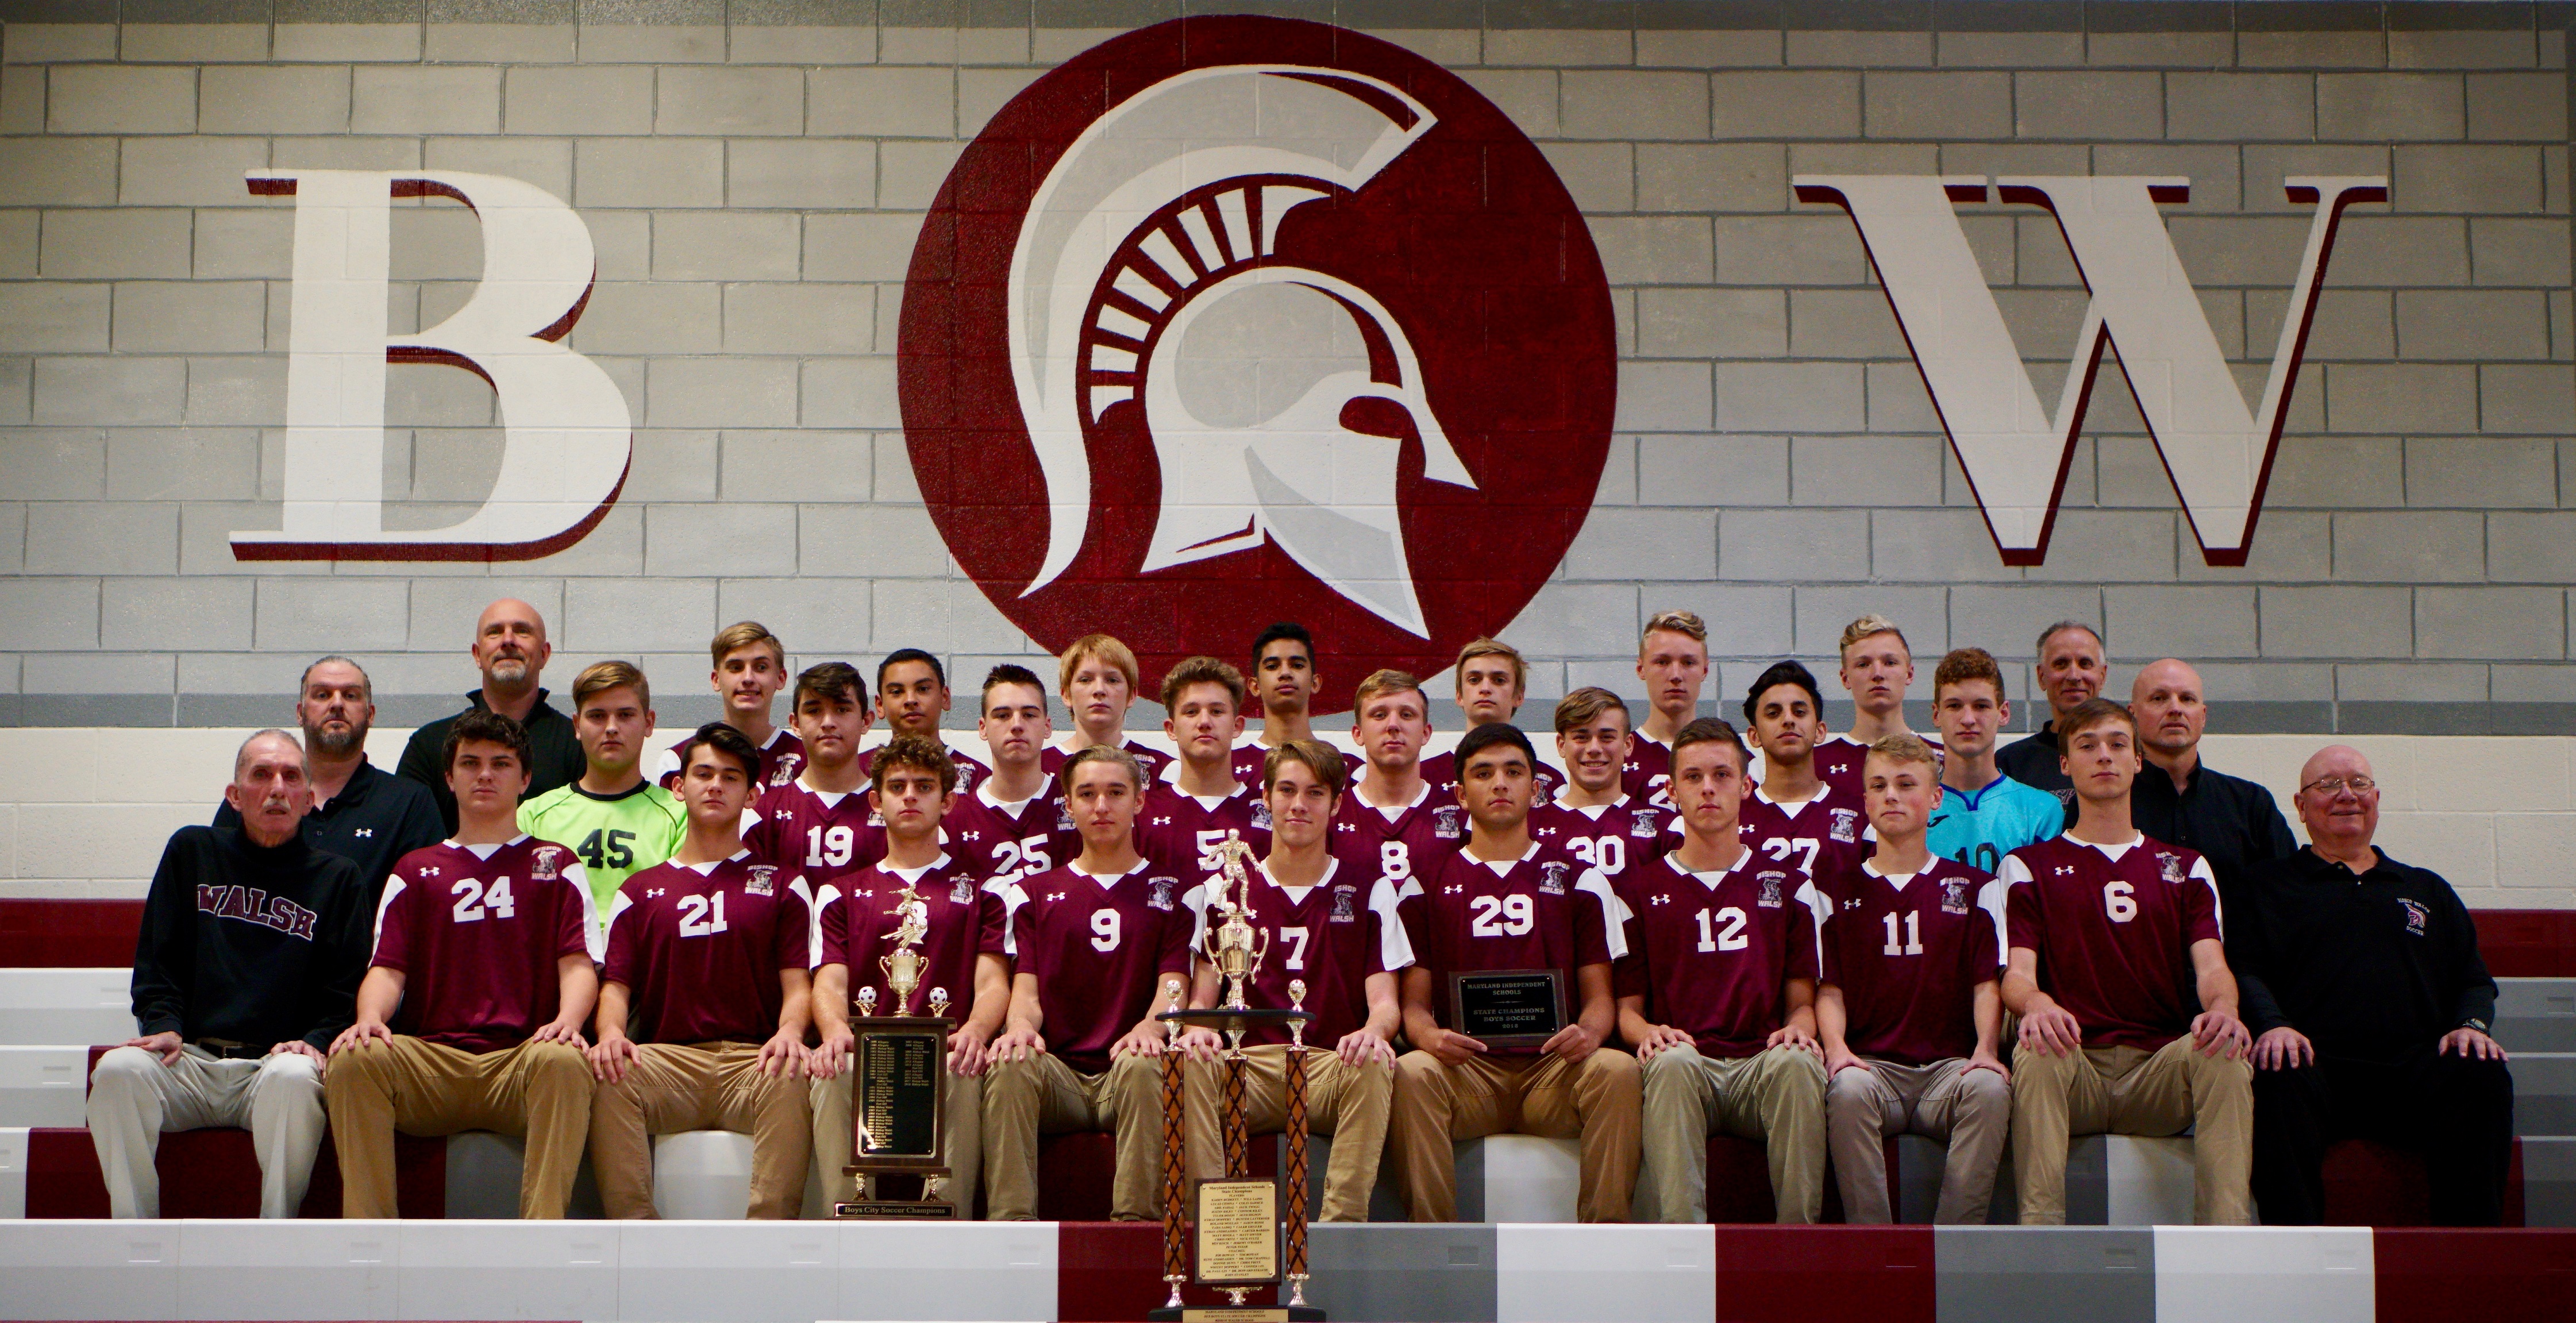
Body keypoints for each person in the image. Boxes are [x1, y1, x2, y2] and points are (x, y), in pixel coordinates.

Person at [324, 710, 599, 1219]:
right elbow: (386, 970)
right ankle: (369, 1233)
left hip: (520, 1063)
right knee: (355, 1056)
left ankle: (542, 1233)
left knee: (565, 1060)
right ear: (449, 778)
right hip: (433, 1066)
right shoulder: (416, 869)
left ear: (526, 778)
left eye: (501, 763)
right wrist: (369, 1020)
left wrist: (567, 1023)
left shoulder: (558, 864)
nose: (486, 774)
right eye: (470, 763)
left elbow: (578, 963)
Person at [89, 729, 368, 1218]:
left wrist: (317, 1038)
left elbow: (344, 988)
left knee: (296, 1078)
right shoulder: (192, 850)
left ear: (308, 799)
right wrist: (162, 1024)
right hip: (190, 1062)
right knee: (115, 1071)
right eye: (261, 775)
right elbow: (158, 958)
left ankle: (276, 1233)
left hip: (271, 1069)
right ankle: (132, 1232)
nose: (277, 787)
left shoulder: (340, 877)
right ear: (235, 796)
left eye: (291, 777)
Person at [2231, 745, 2514, 1226]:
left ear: (2377, 798)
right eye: (2327, 785)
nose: (2346, 795)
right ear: (2299, 807)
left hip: (2410, 1069)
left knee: (2480, 1072)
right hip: (2313, 1067)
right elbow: (2244, 969)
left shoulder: (2425, 888)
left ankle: (2471, 1246)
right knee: (2274, 1072)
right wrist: (2272, 1024)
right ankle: (2294, 1252)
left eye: (2358, 784)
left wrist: (2471, 1025)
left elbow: (2472, 979)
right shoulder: (2264, 886)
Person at [2000, 697, 2254, 1225]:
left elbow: (2211, 968)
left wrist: (2224, 1010)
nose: (2104, 757)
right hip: (2076, 1070)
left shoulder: (2184, 867)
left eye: (2118, 745)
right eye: (2087, 746)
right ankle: (2039, 1234)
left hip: (2156, 1073)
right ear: (2065, 764)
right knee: (2035, 1046)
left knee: (2224, 1052)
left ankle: (2224, 1237)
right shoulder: (2028, 866)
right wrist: (2039, 1004)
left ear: (2139, 761)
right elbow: (2016, 975)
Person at [1388, 723, 1638, 1224]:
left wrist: (1588, 1034)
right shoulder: (1424, 882)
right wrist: (1429, 1037)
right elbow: (1413, 1002)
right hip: (1467, 1073)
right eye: (1483, 773)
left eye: (1513, 771)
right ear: (1461, 793)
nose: (1499, 783)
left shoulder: (1579, 878)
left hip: (1553, 1071)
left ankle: (1605, 1235)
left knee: (1618, 1070)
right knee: (1412, 1072)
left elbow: (1600, 995)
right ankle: (1431, 1242)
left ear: (1536, 787)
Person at [588, 724, 815, 1220]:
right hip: (668, 1061)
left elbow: (798, 985)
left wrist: (792, 1031)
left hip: (751, 1061)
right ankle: (635, 1232)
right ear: (678, 786)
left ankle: (767, 1233)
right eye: (704, 773)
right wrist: (608, 1032)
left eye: (731, 777)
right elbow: (616, 987)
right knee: (609, 1075)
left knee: (792, 1072)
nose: (715, 785)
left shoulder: (783, 884)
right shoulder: (640, 890)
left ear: (752, 795)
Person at [1180, 740, 1411, 1221]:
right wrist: (1196, 1028)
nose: (1299, 805)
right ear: (1265, 797)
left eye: (1314, 792)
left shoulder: (1370, 887)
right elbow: (1203, 997)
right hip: (1245, 1063)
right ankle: (1214, 1225)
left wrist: (1374, 1032)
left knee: (1375, 1062)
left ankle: (1339, 1227)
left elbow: (1385, 1002)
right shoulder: (1223, 889)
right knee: (1186, 1062)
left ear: (1337, 803)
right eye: (1286, 790)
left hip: (1327, 1066)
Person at [1622, 718, 1826, 1225]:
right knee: (1670, 1062)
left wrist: (1799, 1029)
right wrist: (1648, 1032)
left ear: (1746, 785)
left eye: (1721, 774)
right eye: (1692, 777)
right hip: (1688, 1064)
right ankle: (1681, 1243)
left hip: (1760, 1063)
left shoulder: (1788, 885)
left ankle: (1798, 1242)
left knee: (1799, 1064)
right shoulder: (1639, 890)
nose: (1708, 788)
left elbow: (1802, 1001)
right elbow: (1626, 1010)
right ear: (1670, 790)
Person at [983, 746, 1199, 1221]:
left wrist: (1152, 1026)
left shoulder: (1173, 889)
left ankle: (1138, 1226)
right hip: (1059, 1075)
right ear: (1068, 805)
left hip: (1125, 1069)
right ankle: (1010, 1222)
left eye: (1115, 792)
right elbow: (1027, 991)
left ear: (1139, 801)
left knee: (1148, 1064)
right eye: (1087, 794)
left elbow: (1174, 981)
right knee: (1011, 1061)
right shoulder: (1034, 892)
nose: (1101, 805)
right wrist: (1018, 1025)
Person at [809, 735, 1011, 1217]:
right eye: (897, 786)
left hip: (945, 1050)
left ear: (948, 800)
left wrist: (978, 1032)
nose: (910, 796)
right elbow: (829, 982)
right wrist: (835, 1029)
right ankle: (845, 1216)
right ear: (876, 801)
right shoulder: (840, 892)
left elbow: (992, 983)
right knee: (833, 1067)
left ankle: (949, 1214)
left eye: (924, 786)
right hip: (867, 1051)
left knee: (962, 1066)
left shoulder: (985, 890)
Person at [1818, 734, 2009, 1225]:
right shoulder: (1833, 891)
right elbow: (1830, 988)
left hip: (1946, 1070)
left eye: (1907, 784)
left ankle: (1954, 1243)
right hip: (1873, 1068)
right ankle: (1873, 1247)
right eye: (1878, 786)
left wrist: (1985, 1050)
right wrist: (1838, 1050)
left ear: (1935, 797)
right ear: (1863, 800)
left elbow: (1986, 983)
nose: (1891, 796)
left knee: (1989, 1090)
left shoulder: (1975, 888)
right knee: (1844, 1090)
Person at [212, 656, 442, 909]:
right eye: (322, 695)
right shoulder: (255, 796)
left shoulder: (409, 803)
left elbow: (427, 907)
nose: (336, 704)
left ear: (371, 714)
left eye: (351, 696)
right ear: (300, 713)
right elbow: (216, 893)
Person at [398, 599, 586, 833]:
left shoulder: (578, 745)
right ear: (477, 655)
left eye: (522, 631)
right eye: (495, 632)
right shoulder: (429, 745)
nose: (508, 641)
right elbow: (409, 842)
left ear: (544, 654)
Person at [518, 661, 686, 921]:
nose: (611, 727)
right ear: (576, 725)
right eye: (597, 716)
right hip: (561, 957)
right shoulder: (534, 815)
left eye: (625, 715)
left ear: (649, 723)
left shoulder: (679, 815)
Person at [2127, 658, 2297, 903]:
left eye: (2187, 699)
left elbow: (2286, 895)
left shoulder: (2251, 804)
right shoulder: (2108, 803)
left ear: (2203, 716)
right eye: (2159, 698)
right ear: (2132, 717)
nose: (2175, 709)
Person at [1925, 648, 2064, 874]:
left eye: (1981, 706)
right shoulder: (1915, 810)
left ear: (2004, 713)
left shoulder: (2041, 810)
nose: (1968, 719)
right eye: (1954, 706)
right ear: (1936, 715)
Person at [743, 662, 881, 885]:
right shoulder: (764, 814)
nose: (828, 723)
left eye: (842, 709)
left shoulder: (894, 809)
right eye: (814, 711)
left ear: (866, 721)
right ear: (795, 724)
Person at [945, 665, 1079, 889]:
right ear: (983, 728)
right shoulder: (954, 820)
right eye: (1002, 715)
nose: (1016, 725)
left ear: (1047, 727)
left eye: (1029, 714)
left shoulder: (1077, 805)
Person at [1738, 662, 1872, 884]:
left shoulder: (1861, 816)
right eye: (1773, 713)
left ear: (1820, 731)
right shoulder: (1734, 817)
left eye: (1799, 712)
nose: (1788, 720)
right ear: (1754, 736)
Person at [1331, 670, 1465, 892]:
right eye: (1379, 715)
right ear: (1358, 733)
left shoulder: (1459, 814)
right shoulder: (1332, 813)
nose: (1393, 725)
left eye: (1406, 715)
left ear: (1425, 733)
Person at [1138, 657, 1270, 869]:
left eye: (1217, 711)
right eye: (1191, 712)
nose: (1205, 722)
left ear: (1237, 726)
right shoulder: (1141, 814)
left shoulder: (1269, 811)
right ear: (1171, 729)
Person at [1531, 688, 1669, 885]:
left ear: (1628, 745)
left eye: (1606, 737)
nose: (1594, 749)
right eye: (1581, 737)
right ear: (1561, 745)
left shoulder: (1665, 828)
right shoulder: (1529, 828)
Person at [653, 622, 806, 790]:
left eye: (761, 667)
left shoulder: (807, 760)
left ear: (781, 678)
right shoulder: (678, 760)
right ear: (716, 679)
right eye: (736, 668)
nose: (748, 678)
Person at [1419, 638, 1561, 805]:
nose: (1485, 688)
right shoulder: (1424, 777)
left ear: (1519, 696)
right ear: (1459, 695)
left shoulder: (1551, 783)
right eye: (1474, 680)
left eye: (1499, 680)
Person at [1814, 615, 1939, 798]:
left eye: (1890, 662)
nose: (1878, 674)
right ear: (1845, 678)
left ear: (1909, 674)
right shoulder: (1816, 764)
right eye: (1863, 664)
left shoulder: (1940, 759)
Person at [1996, 622, 2109, 807]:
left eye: (2085, 664)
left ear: (2102, 676)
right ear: (2042, 677)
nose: (2073, 676)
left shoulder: (2127, 757)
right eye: (2061, 664)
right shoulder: (2010, 765)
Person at [1041, 633, 1172, 786]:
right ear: (1066, 695)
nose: (1099, 690)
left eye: (1112, 680)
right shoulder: (1038, 768)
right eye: (1085, 680)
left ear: (1132, 695)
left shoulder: (1162, 772)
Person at [1240, 621, 1359, 786]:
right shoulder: (1229, 768)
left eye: (1297, 665)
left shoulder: (1349, 771)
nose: (1285, 673)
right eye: (1273, 666)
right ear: (1255, 686)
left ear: (1315, 683)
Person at [871, 649, 992, 794]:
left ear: (945, 698)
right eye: (897, 692)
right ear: (880, 705)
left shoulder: (978, 780)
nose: (910, 700)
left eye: (923, 689)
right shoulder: (863, 773)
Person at [1624, 610, 1711, 810]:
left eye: (1688, 663)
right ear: (1641, 669)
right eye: (1662, 662)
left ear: (1705, 670)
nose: (1676, 675)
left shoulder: (1734, 758)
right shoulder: (1617, 757)